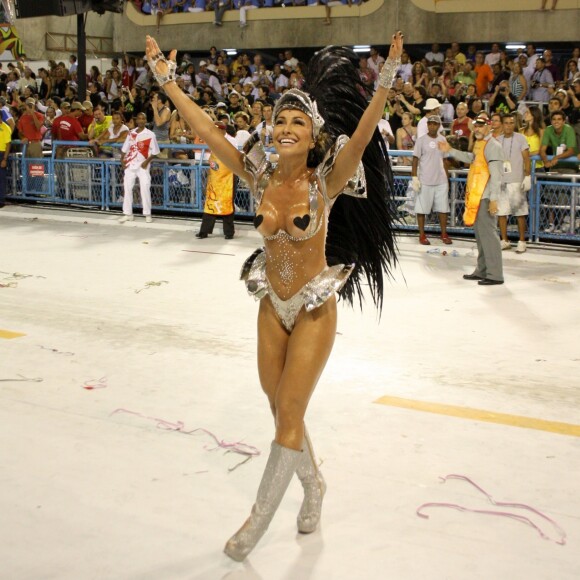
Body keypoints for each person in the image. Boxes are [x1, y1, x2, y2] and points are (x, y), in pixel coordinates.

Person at [145, 31, 401, 561]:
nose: (286, 128)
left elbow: (364, 131)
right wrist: (169, 83)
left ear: (313, 135)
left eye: (298, 122)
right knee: (281, 409)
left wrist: (389, 74)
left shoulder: (327, 180)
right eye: (280, 120)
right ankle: (314, 486)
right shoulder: (258, 175)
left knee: (289, 408)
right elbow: (206, 131)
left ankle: (256, 524)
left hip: (312, 304)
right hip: (270, 305)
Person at [439, 113, 505, 285]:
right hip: (476, 196)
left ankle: (495, 274)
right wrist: (450, 151)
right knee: (481, 236)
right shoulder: (480, 143)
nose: (477, 128)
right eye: (475, 125)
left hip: (485, 196)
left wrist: (493, 199)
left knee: (489, 236)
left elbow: (497, 175)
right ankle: (483, 270)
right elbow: (471, 159)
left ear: (489, 127)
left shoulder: (493, 145)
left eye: (481, 125)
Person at [411, 115, 452, 245]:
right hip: (425, 179)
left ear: (438, 125)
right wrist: (414, 177)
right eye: (430, 124)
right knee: (422, 209)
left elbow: (445, 160)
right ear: (427, 125)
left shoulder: (443, 139)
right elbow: (415, 159)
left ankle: (444, 234)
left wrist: (447, 177)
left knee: (443, 208)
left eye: (435, 124)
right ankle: (422, 235)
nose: (432, 126)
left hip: (441, 180)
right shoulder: (421, 140)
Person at [196, 121, 237, 240]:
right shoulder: (212, 139)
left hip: (227, 176)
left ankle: (229, 232)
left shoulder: (231, 140)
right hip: (215, 177)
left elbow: (234, 156)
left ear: (222, 130)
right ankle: (204, 231)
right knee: (211, 202)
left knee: (227, 203)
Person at [497, 113, 531, 253]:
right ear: (502, 124)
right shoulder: (497, 140)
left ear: (514, 124)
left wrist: (527, 176)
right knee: (501, 213)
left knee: (520, 213)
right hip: (501, 180)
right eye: (506, 123)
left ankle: (522, 241)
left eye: (511, 123)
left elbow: (526, 159)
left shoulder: (521, 138)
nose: (509, 125)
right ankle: (504, 240)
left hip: (517, 180)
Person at [119, 112, 160, 223]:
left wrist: (147, 162)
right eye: (139, 118)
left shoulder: (150, 134)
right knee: (127, 188)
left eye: (143, 118)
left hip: (143, 166)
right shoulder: (131, 133)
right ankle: (128, 213)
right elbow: (125, 148)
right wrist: (122, 160)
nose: (141, 120)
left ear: (146, 120)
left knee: (145, 188)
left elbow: (155, 152)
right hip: (130, 164)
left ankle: (147, 214)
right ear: (136, 120)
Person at [0, 118, 11, 208]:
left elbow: (8, 144)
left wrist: (5, 159)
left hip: (1, 153)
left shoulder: (5, 127)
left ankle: (1, 200)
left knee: (1, 178)